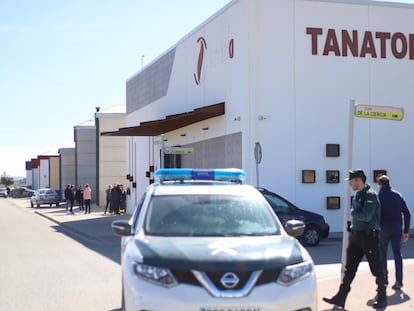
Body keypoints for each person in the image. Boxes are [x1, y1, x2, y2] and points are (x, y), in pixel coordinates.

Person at [323, 169, 387, 309]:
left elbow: (366, 216)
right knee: (349, 268)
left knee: (376, 268)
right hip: (357, 236)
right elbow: (360, 218)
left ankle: (382, 297)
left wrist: (353, 211)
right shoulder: (358, 194)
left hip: (369, 237)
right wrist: (352, 226)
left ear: (359, 180)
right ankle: (341, 297)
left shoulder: (370, 195)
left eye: (351, 181)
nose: (350, 184)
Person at [377, 175, 411, 290]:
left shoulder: (378, 197)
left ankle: (384, 280)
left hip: (383, 228)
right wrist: (406, 231)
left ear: (380, 184)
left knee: (382, 255)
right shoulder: (398, 195)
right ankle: (399, 280)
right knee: (398, 254)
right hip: (397, 228)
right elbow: (407, 213)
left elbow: (374, 215)